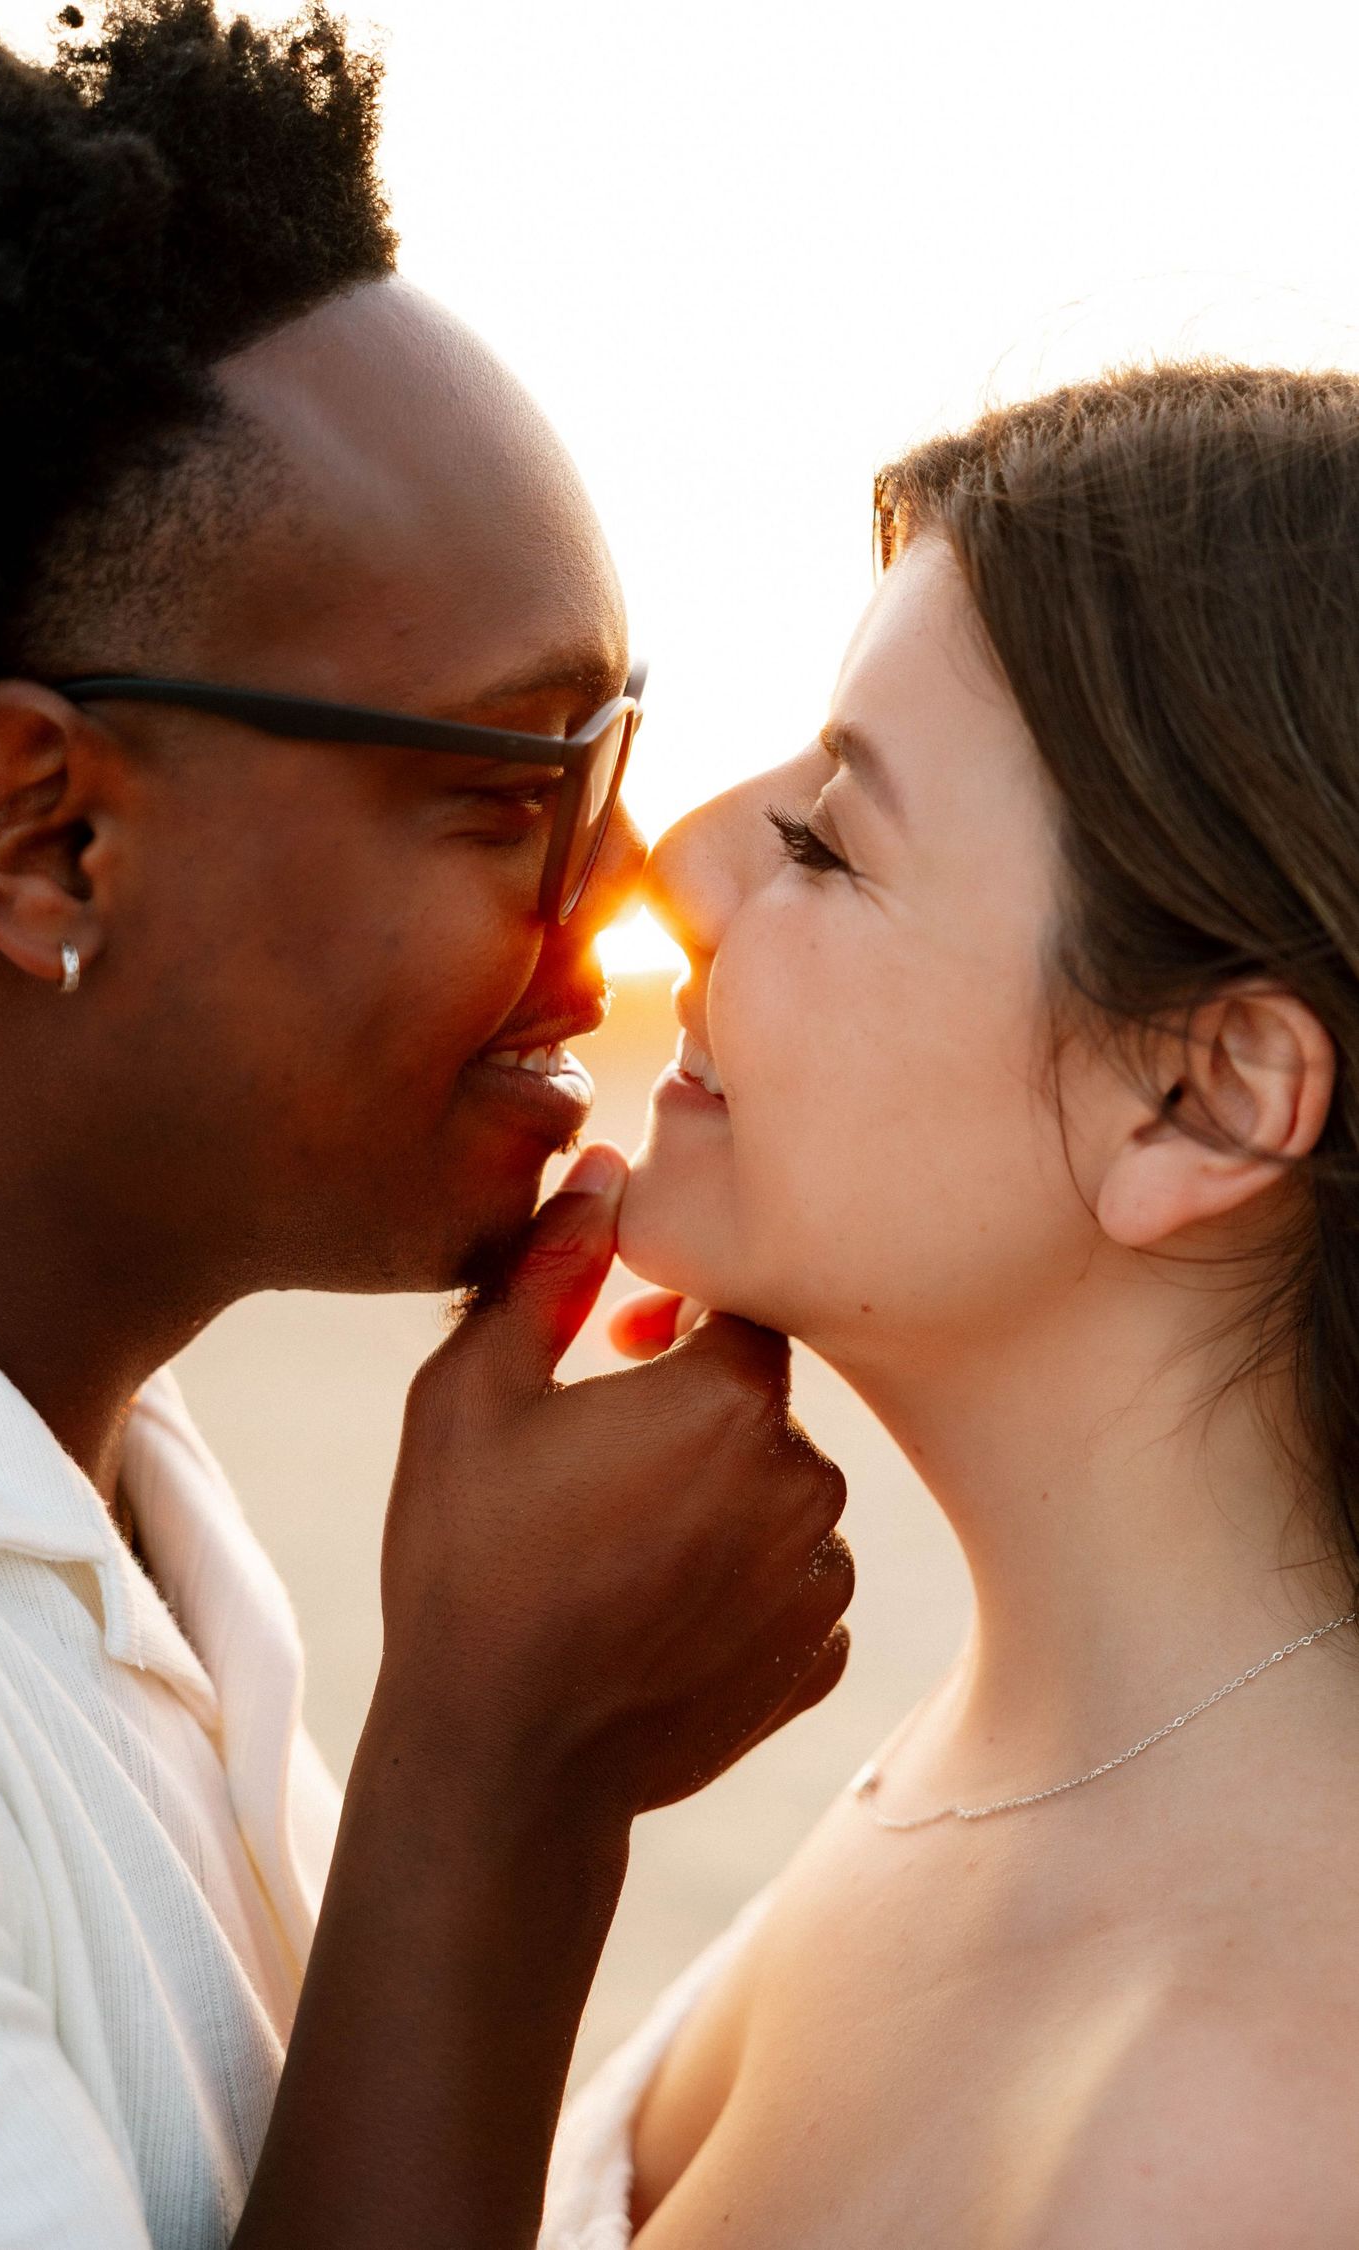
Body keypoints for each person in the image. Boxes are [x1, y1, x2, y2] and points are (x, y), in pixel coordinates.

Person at [0, 6, 856, 2245]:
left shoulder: (95, 1465)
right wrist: (503, 1785)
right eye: (516, 793)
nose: (621, 898)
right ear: (49, 837)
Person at [543, 363, 1359, 2248]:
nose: (682, 860)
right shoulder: (1007, 1744)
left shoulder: (1246, 2143)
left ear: (1206, 1093)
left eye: (829, 841)